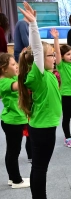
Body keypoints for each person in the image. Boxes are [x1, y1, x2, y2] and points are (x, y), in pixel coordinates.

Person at [17, 1, 62, 199]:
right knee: (40, 168)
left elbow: (45, 54)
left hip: (44, 126)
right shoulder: (39, 75)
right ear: (40, 61)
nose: (54, 58)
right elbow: (37, 49)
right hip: (43, 129)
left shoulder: (50, 74)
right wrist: (33, 25)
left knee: (39, 167)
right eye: (51, 55)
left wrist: (54, 42)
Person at [0, 53, 30, 189]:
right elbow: (20, 85)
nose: (16, 66)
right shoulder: (3, 82)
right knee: (13, 152)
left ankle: (13, 178)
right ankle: (16, 180)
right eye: (13, 65)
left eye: (16, 63)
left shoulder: (10, 77)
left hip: (15, 120)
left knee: (13, 151)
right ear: (3, 69)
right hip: (12, 122)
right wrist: (24, 65)